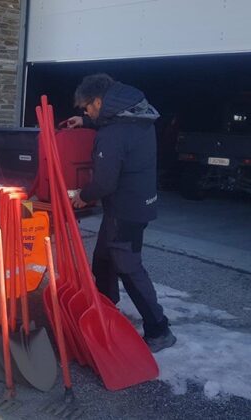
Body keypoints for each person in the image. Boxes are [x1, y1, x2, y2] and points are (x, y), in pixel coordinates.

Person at [67, 73, 176, 353]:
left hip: (125, 210)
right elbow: (114, 125)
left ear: (100, 101)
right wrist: (86, 122)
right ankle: (106, 310)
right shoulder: (138, 116)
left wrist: (82, 196)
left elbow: (104, 182)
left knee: (128, 267)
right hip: (138, 205)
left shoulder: (112, 135)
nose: (85, 111)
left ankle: (158, 329)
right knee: (103, 259)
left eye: (87, 108)